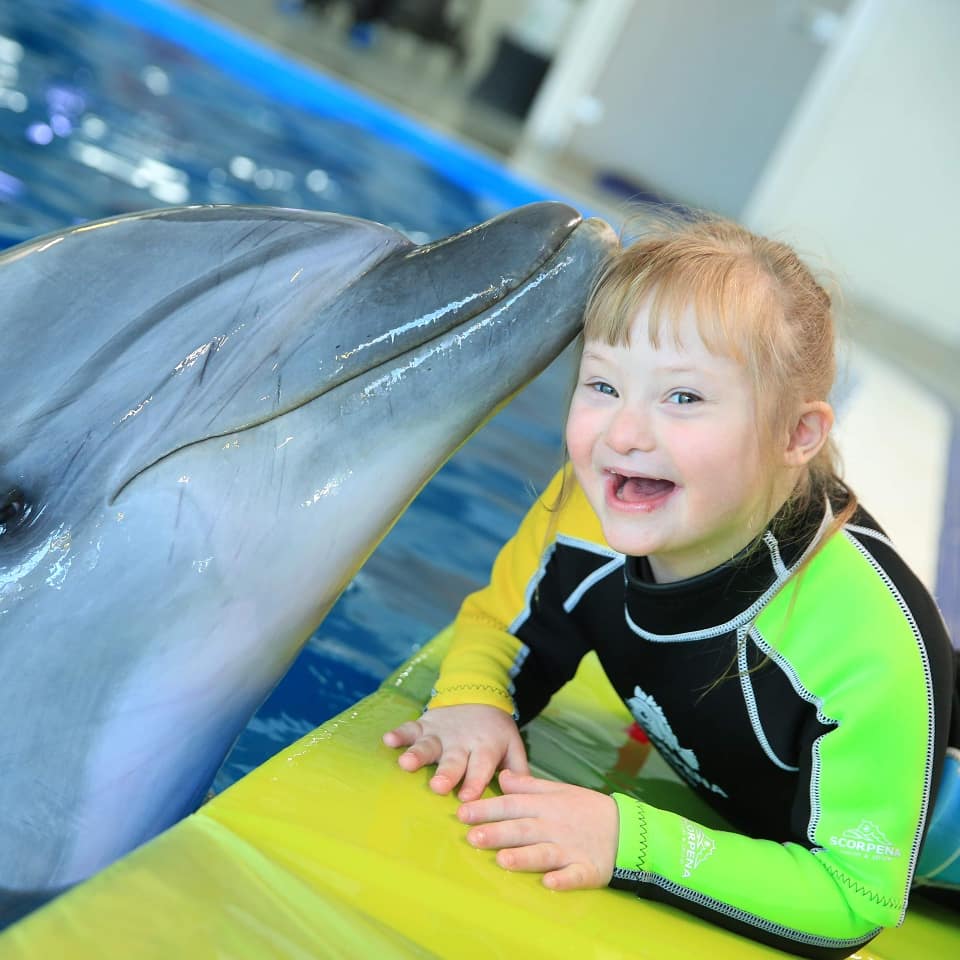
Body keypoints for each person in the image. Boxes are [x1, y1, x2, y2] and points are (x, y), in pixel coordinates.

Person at [382, 212, 956, 958]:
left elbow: (854, 897)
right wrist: (473, 699)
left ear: (797, 435)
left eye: (683, 398)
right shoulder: (589, 509)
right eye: (603, 384)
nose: (624, 434)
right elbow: (503, 623)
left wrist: (630, 839)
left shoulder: (866, 639)